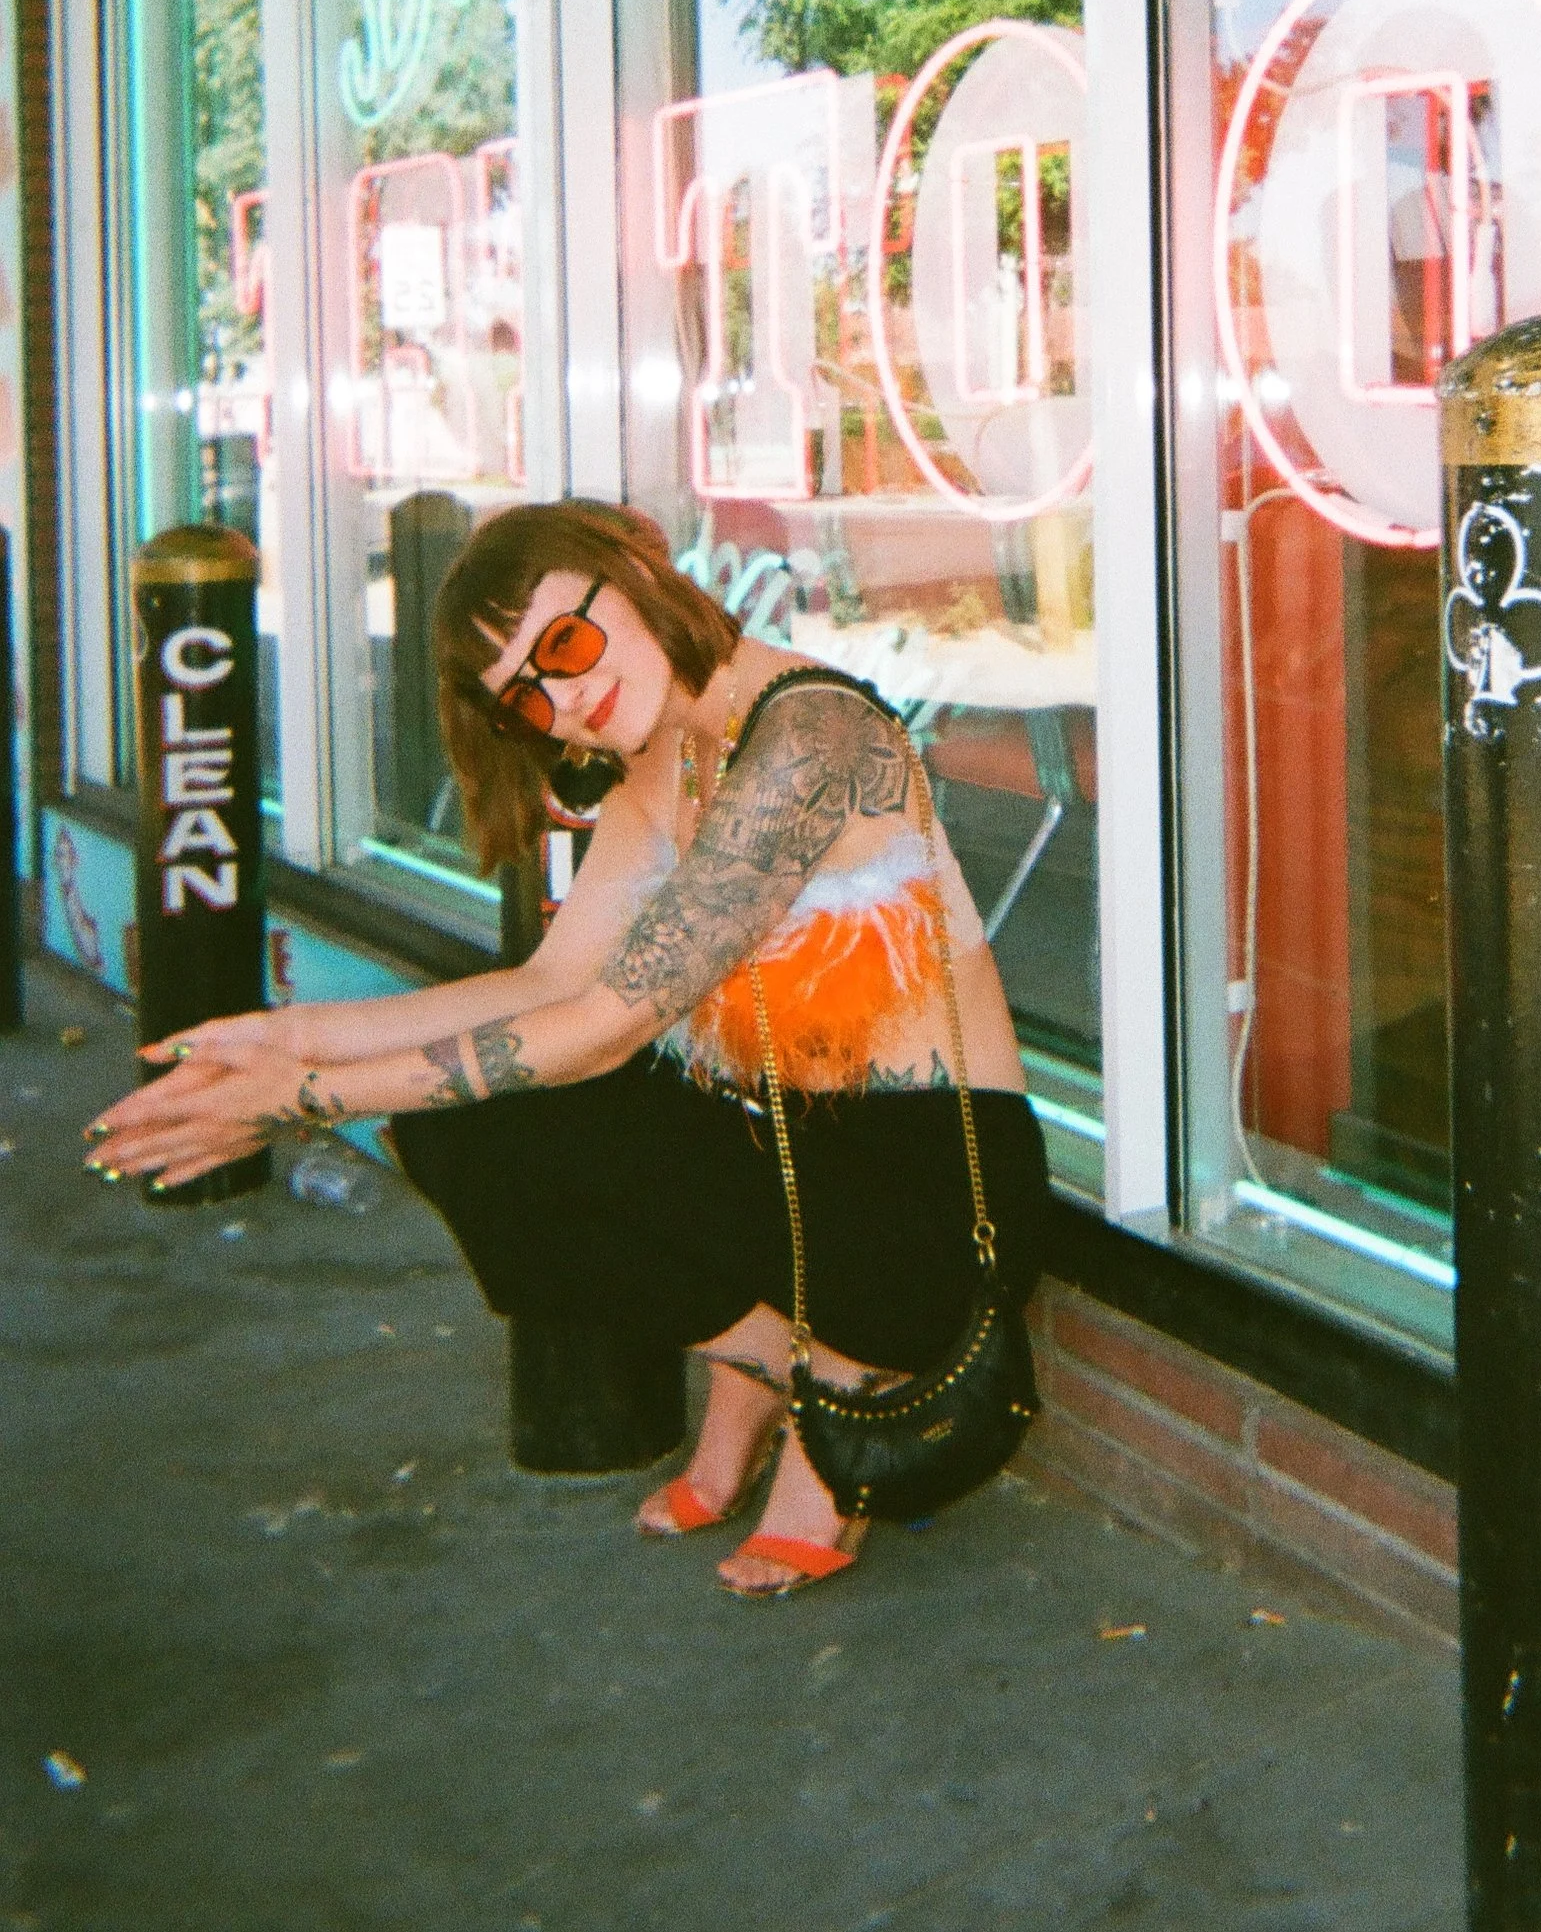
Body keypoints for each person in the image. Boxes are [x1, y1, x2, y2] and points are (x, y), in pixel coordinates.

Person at [87, 499, 1051, 1598]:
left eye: (564, 642)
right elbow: (549, 980)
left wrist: (299, 1095)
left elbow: (606, 1023)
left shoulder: (813, 735)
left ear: (631, 573)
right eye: (529, 694)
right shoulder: (664, 757)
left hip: (927, 1192)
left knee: (550, 1099)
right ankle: (794, 1355)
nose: (564, 693)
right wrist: (288, 1031)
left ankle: (843, 1372)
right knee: (475, 1124)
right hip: (790, 1152)